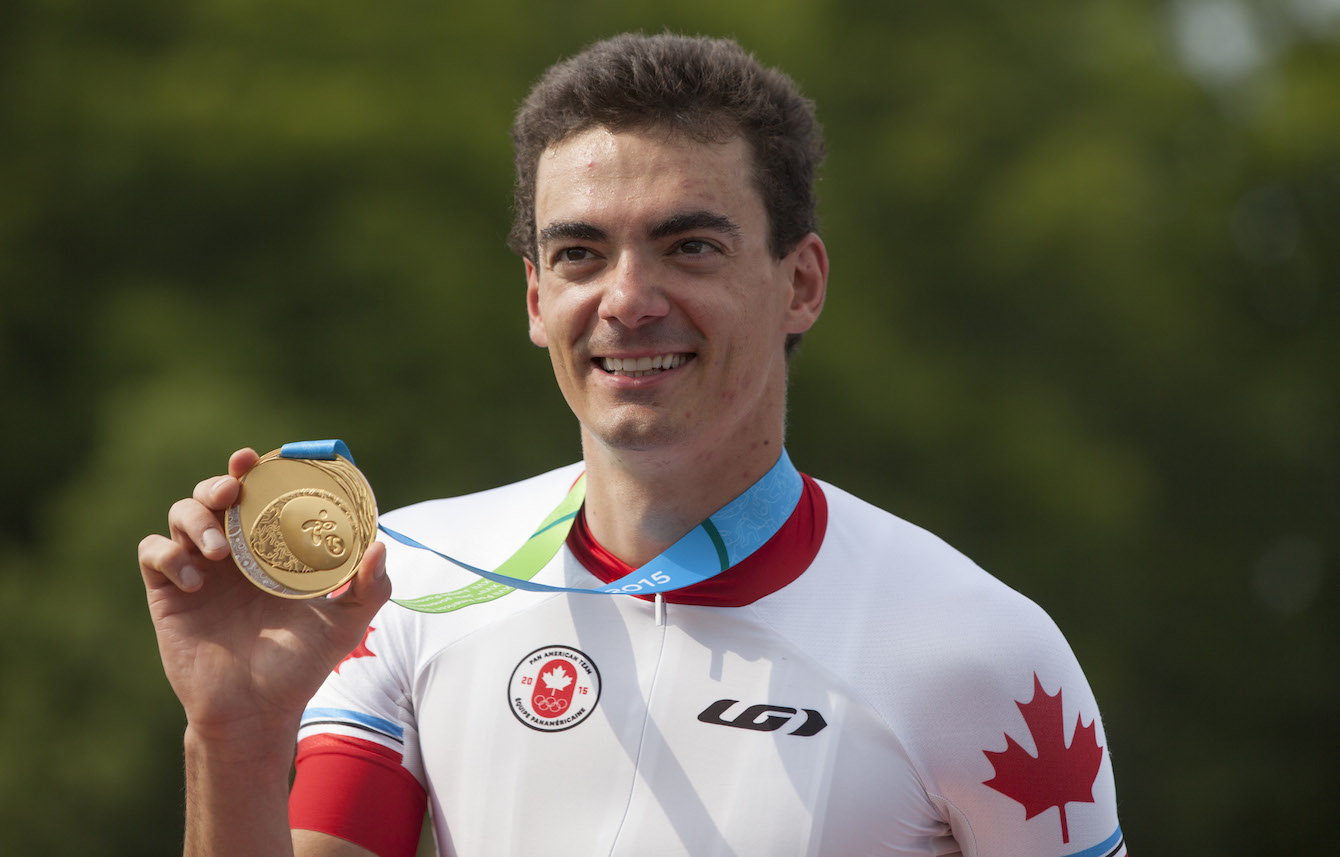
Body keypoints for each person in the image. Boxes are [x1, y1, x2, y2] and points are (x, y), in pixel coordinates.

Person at [138, 33, 1126, 857]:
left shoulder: (981, 651)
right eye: (580, 253)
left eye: (689, 246)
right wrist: (236, 736)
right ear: (536, 298)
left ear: (801, 283)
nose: (627, 299)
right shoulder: (407, 579)